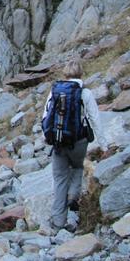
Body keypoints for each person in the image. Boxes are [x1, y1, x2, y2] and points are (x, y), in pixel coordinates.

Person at [42, 60, 107, 232]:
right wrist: (104, 145)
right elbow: (95, 119)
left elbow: (46, 116)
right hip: (79, 141)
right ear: (81, 73)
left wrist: (47, 137)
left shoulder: (55, 90)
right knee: (77, 167)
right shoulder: (85, 93)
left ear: (65, 74)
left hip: (58, 141)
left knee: (59, 178)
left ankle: (58, 221)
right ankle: (73, 197)